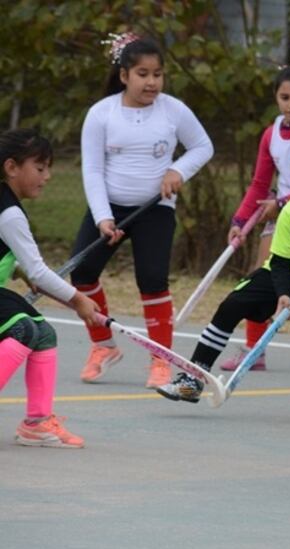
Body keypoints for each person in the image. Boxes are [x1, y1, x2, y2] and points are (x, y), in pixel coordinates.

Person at [158, 140, 290, 427]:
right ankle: (193, 378)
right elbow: (281, 261)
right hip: (282, 273)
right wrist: (284, 295)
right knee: (232, 305)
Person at [72, 33, 214, 389]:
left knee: (152, 281)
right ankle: (103, 346)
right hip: (110, 208)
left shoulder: (173, 110)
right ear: (124, 76)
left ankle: (160, 360)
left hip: (155, 210)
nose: (151, 82)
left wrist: (176, 171)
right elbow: (92, 169)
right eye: (142, 74)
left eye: (157, 74)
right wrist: (104, 216)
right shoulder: (101, 114)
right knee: (82, 273)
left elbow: (202, 146)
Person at [219, 63, 290, 373]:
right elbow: (259, 183)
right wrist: (240, 221)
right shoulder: (270, 134)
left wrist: (281, 201)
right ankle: (254, 351)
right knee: (261, 277)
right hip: (282, 218)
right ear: (276, 98)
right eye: (285, 97)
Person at [0, 129, 100, 447]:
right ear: (12, 167)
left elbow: (26, 266)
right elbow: (40, 272)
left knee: (43, 334)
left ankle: (37, 423)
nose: (48, 176)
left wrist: (15, 269)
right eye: (40, 168)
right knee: (24, 330)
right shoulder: (10, 214)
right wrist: (79, 300)